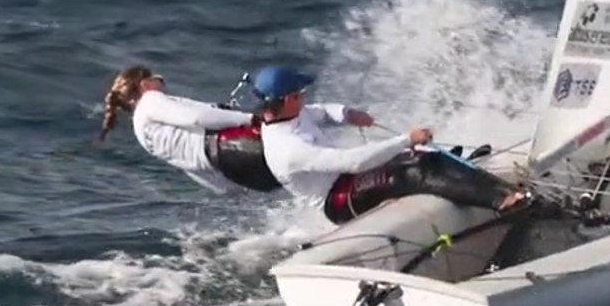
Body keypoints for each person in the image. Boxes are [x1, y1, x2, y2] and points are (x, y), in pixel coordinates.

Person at [249, 64, 531, 225]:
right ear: (287, 100)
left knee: (423, 155)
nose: (305, 97)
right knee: (409, 170)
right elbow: (354, 163)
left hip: (349, 180)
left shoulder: (289, 114)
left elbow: (323, 112)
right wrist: (404, 139)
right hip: (337, 202)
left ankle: (508, 189)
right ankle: (502, 202)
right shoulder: (286, 149)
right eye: (300, 93)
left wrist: (347, 114)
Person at [98, 65, 282, 194]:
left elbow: (189, 165)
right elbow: (197, 118)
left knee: (296, 178)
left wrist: (233, 189)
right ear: (145, 85)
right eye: (154, 77)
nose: (160, 79)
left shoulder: (142, 131)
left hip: (227, 168)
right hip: (235, 148)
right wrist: (250, 119)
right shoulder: (150, 100)